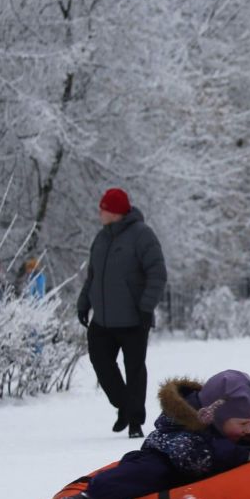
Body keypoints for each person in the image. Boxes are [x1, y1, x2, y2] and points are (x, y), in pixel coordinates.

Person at [60, 369, 250, 499]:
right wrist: (240, 454)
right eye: (243, 424)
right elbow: (195, 456)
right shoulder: (186, 428)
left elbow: (217, 443)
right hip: (161, 458)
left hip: (179, 463)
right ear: (219, 417)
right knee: (142, 474)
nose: (248, 429)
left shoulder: (215, 425)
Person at [78, 188, 167, 439]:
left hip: (133, 318)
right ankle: (124, 406)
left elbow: (157, 274)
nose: (100, 212)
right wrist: (83, 303)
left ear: (116, 212)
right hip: (103, 320)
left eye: (104, 208)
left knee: (134, 369)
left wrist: (146, 307)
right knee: (101, 363)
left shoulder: (142, 236)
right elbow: (92, 276)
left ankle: (135, 421)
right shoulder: (101, 238)